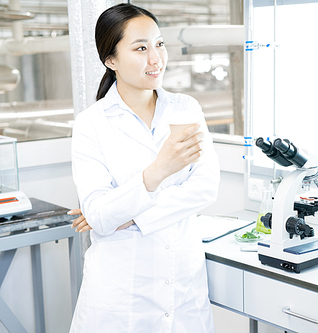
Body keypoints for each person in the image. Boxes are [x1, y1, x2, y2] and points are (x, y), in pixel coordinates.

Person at [70, 3, 220, 332]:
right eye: (141, 48)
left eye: (160, 44)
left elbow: (205, 188)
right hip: (121, 298)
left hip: (184, 289)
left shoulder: (186, 108)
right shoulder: (91, 124)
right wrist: (159, 171)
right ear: (111, 60)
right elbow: (98, 214)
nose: (156, 59)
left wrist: (127, 213)